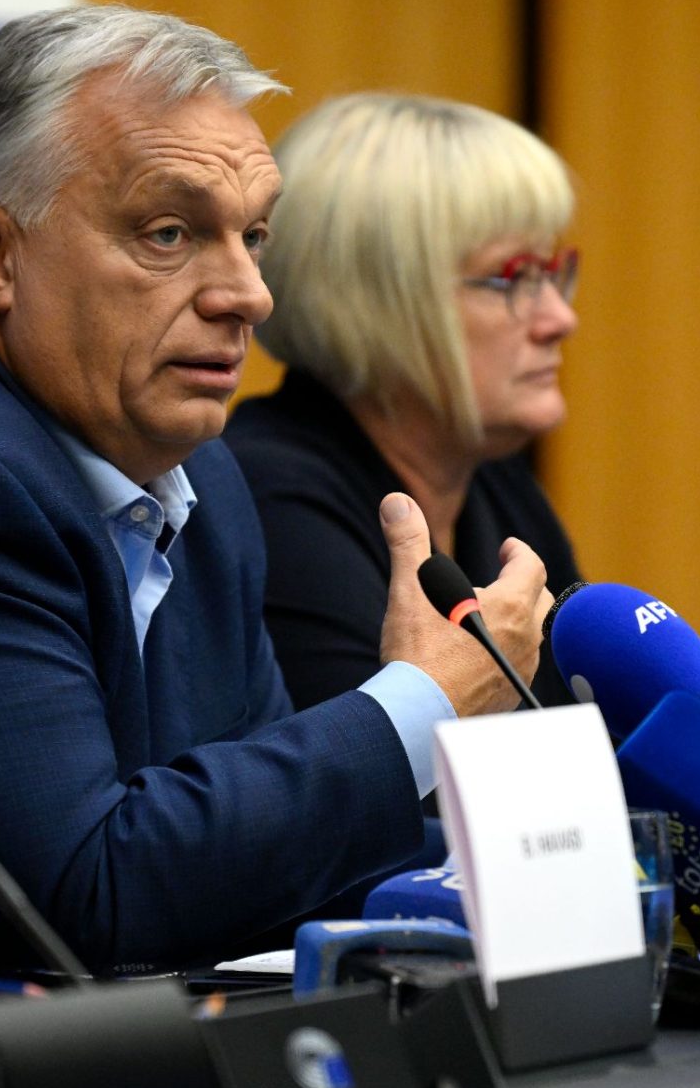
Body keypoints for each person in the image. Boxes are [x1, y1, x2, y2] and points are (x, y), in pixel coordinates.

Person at [0, 5, 549, 976]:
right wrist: (419, 704)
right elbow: (85, 902)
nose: (247, 294)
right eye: (169, 233)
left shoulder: (193, 472)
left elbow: (263, 864)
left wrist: (547, 868)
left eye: (253, 236)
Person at [224, 93, 582, 710]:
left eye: (552, 273)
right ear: (376, 299)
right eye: (514, 277)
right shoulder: (273, 501)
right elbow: (367, 766)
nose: (560, 319)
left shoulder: (501, 491)